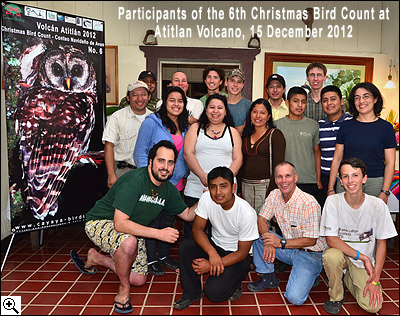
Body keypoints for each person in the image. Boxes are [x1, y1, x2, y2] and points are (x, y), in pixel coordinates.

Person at [70, 141, 198, 314]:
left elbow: (189, 215)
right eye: (161, 161)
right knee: (129, 243)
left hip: (130, 231)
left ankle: (96, 258)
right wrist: (159, 234)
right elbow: (120, 223)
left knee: (138, 279)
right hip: (99, 222)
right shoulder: (134, 181)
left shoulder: (168, 190)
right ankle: (123, 290)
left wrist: (207, 199)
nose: (165, 167)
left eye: (170, 162)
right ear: (151, 162)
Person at [173, 166, 259, 310]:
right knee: (186, 247)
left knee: (214, 293)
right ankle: (191, 293)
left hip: (236, 255)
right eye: (213, 187)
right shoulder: (207, 198)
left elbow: (242, 253)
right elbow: (197, 229)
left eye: (223, 186)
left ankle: (236, 282)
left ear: (233, 187)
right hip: (215, 246)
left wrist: (210, 265)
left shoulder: (246, 213)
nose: (218, 192)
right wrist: (212, 253)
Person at [320, 157, 398, 314]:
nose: (350, 181)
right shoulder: (332, 202)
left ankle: (348, 278)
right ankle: (336, 295)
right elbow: (331, 239)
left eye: (355, 175)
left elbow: (382, 244)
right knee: (331, 256)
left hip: (363, 264)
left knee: (372, 306)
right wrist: (363, 257)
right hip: (343, 255)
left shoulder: (377, 205)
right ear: (340, 181)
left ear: (364, 179)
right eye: (345, 176)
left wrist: (375, 281)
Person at [247, 161, 328, 306]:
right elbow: (261, 219)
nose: (283, 181)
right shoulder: (274, 194)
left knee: (295, 298)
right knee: (256, 234)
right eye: (279, 177)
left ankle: (313, 272)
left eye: (288, 176)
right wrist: (268, 241)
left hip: (311, 254)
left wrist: (280, 243)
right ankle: (267, 276)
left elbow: (311, 240)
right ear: (275, 179)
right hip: (288, 249)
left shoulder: (309, 203)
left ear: (295, 178)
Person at [134, 86, 189, 276]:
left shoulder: (186, 126)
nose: (176, 104)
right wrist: (147, 178)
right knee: (151, 221)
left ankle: (164, 255)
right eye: (172, 100)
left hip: (175, 183)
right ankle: (151, 259)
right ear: (164, 102)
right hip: (154, 181)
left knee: (168, 220)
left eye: (180, 101)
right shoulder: (152, 122)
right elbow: (140, 152)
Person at [183, 94, 242, 238]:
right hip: (197, 187)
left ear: (226, 111)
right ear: (206, 110)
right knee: (194, 233)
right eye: (212, 107)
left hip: (225, 191)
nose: (215, 111)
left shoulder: (232, 132)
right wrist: (203, 176)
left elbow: (238, 158)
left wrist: (224, 181)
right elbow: (188, 154)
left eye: (220, 108)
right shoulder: (195, 128)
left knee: (223, 234)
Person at [327, 82, 397, 204]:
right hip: (347, 180)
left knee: (372, 221)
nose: (361, 101)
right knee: (344, 220)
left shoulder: (386, 128)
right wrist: (330, 189)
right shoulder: (345, 126)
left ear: (375, 99)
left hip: (374, 182)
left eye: (366, 96)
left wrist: (385, 191)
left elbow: (390, 162)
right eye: (357, 98)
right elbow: (337, 159)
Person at [275, 86, 323, 204]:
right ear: (287, 103)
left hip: (308, 180)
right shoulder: (276, 125)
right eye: (295, 101)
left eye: (303, 102)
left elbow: (317, 152)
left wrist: (318, 179)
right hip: (285, 180)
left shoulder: (313, 125)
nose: (300, 105)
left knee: (308, 218)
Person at [239, 98, 286, 214]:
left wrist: (272, 190)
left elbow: (278, 166)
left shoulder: (275, 135)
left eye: (262, 113)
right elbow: (241, 164)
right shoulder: (245, 135)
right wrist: (239, 189)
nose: (258, 116)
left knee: (264, 224)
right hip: (245, 187)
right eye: (254, 112)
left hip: (265, 187)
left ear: (269, 116)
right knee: (247, 223)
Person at [102, 81, 152, 188]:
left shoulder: (155, 119)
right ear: (128, 98)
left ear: (149, 97)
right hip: (123, 172)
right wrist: (111, 175)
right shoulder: (117, 117)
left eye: (143, 94)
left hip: (149, 174)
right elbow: (109, 146)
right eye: (135, 95)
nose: (140, 98)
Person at [318, 85, 352, 206]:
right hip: (325, 177)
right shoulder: (319, 125)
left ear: (341, 101)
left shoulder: (352, 122)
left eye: (333, 99)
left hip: (348, 177)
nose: (329, 103)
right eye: (325, 100)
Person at [225, 68, 252, 134]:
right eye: (232, 81)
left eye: (239, 82)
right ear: (226, 83)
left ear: (243, 85)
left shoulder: (250, 105)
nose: (235, 85)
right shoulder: (220, 105)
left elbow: (249, 129)